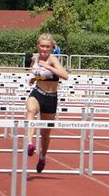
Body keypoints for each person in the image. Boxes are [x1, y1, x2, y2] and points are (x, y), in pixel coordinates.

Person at [26, 33, 69, 173]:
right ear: (38, 46)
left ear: (51, 48)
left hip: (51, 98)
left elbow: (65, 75)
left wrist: (48, 66)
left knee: (45, 134)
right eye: (42, 46)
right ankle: (29, 143)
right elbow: (37, 72)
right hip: (37, 93)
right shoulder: (35, 57)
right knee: (31, 110)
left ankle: (43, 157)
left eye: (47, 47)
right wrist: (34, 78)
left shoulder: (53, 59)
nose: (44, 49)